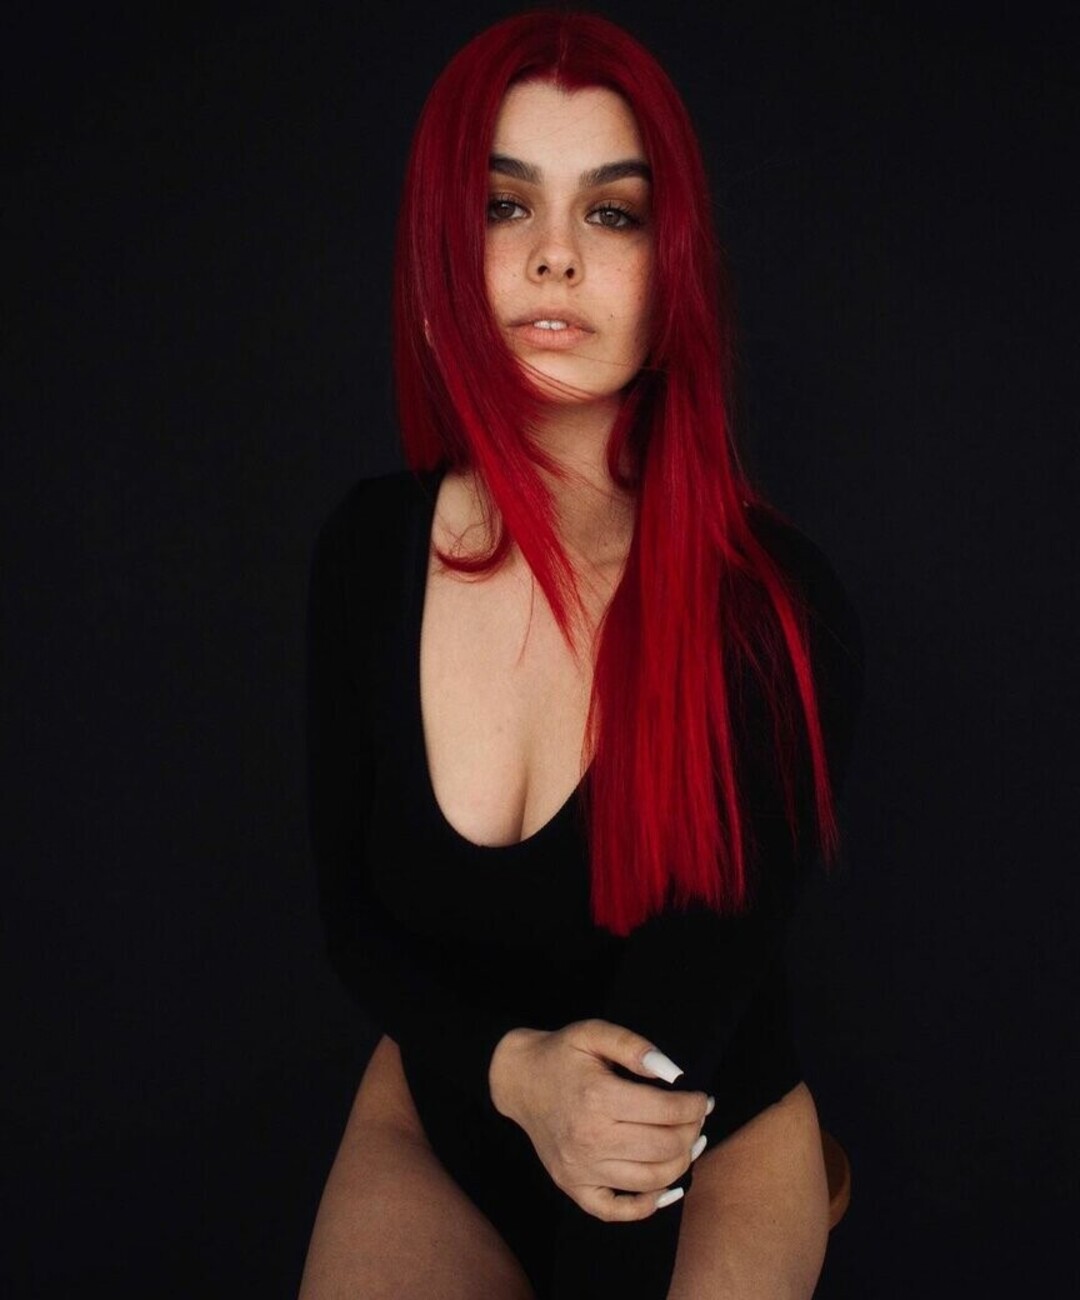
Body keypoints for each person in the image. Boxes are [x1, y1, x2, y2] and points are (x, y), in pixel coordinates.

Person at [298, 8, 864, 1298]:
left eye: (611, 214)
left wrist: (576, 1118)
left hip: (692, 1133)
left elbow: (657, 1060)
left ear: (673, 270)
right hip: (450, 1108)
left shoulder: (773, 609)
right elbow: (353, 927)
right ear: (444, 249)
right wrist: (509, 1073)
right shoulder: (366, 551)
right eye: (506, 206)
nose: (555, 256)